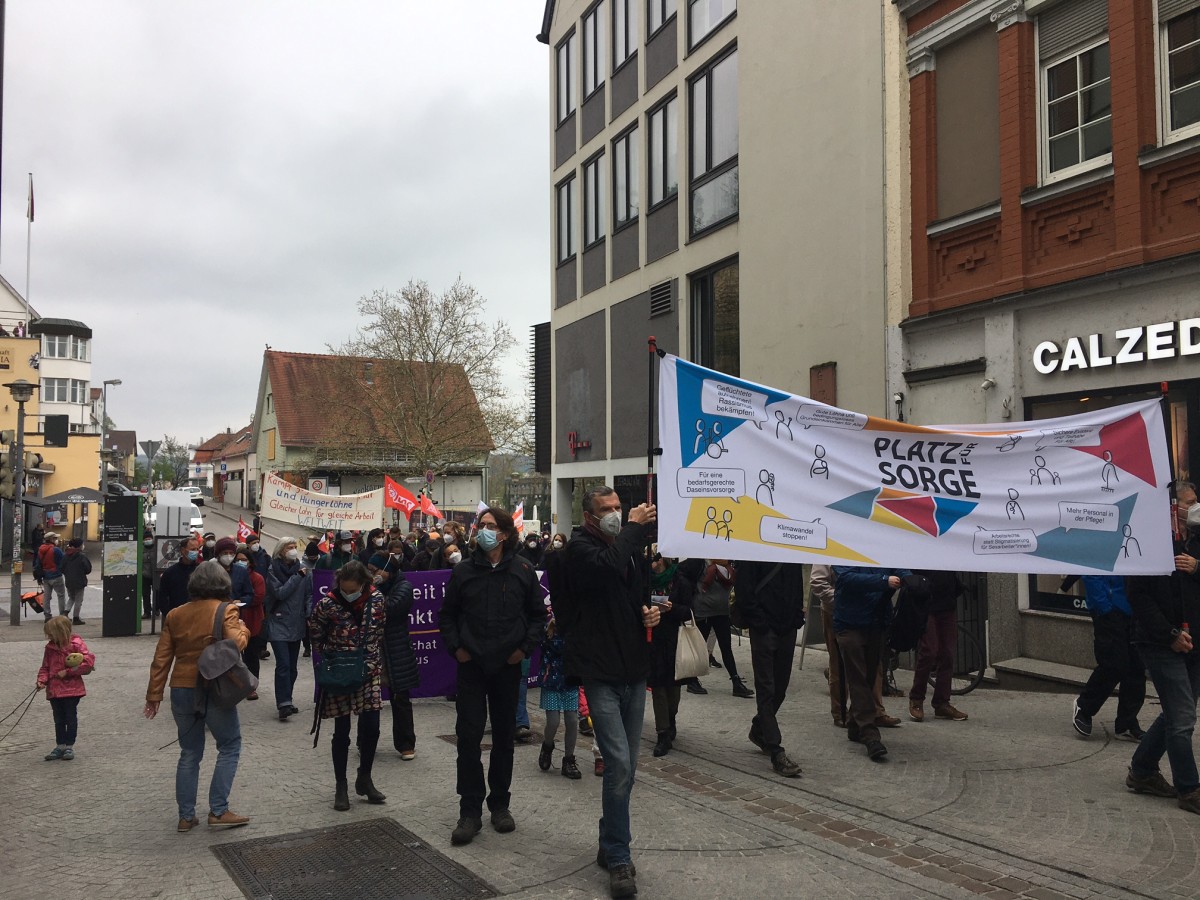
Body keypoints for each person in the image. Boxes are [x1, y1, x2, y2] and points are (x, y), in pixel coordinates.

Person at [560, 486, 660, 899]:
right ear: (589, 516)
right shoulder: (580, 549)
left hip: (633, 669)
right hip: (599, 673)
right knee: (618, 764)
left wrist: (649, 611)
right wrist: (636, 529)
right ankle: (620, 856)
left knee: (627, 768)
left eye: (619, 508)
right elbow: (605, 567)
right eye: (608, 510)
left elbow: (635, 594)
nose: (617, 514)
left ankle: (607, 840)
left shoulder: (627, 550)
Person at [439, 506, 546, 846]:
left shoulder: (523, 570)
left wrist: (523, 650)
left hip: (507, 667)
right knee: (468, 739)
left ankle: (500, 805)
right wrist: (457, 649)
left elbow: (537, 617)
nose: (482, 531)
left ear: (504, 532)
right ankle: (469, 811)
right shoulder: (464, 572)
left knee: (503, 739)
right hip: (471, 667)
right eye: (479, 525)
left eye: (489, 526)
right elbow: (447, 616)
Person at [144, 560, 250, 832]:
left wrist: (154, 694)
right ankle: (219, 809)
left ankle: (186, 816)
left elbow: (162, 657)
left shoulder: (176, 614)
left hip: (180, 687)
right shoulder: (227, 610)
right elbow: (235, 644)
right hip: (211, 686)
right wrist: (245, 629)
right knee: (229, 745)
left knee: (189, 752)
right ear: (223, 583)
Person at [1125, 503, 1200, 813]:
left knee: (1175, 713)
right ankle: (1190, 789)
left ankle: (1142, 770)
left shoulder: (1194, 542)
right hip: (1160, 643)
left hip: (1194, 644)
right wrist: (1169, 635)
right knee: (1182, 718)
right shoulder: (1149, 541)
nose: (1192, 509)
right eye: (1186, 503)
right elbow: (1138, 596)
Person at [309, 560, 388, 811]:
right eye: (344, 588)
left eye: (352, 589)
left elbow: (380, 629)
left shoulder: (377, 600)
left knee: (372, 726)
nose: (347, 593)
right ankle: (340, 785)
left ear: (364, 584)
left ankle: (365, 777)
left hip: (368, 669)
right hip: (340, 672)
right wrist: (332, 659)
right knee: (341, 730)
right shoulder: (326, 603)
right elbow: (315, 634)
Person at [734, 559, 805, 777]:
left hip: (787, 627)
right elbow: (744, 590)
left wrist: (796, 617)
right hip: (764, 629)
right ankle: (776, 750)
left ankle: (759, 729)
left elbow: (797, 584)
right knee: (767, 689)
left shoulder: (790, 550)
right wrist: (760, 623)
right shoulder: (752, 552)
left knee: (780, 689)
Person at [833, 565, 912, 762]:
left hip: (876, 622)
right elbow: (846, 577)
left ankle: (854, 725)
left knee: (868, 678)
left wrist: (910, 579)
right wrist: (884, 581)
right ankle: (870, 734)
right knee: (858, 678)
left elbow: (898, 566)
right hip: (849, 623)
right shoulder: (843, 545)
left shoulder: (881, 544)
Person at [1071, 575, 1144, 740]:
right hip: (1110, 610)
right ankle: (1084, 707)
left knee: (1136, 668)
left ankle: (1126, 723)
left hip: (1136, 608)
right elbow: (1091, 571)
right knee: (1114, 664)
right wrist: (1103, 607)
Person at [647, 554, 698, 757]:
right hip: (653, 639)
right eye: (652, 558)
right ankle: (662, 733)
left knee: (673, 688)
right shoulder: (647, 580)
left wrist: (671, 608)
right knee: (658, 686)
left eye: (658, 558)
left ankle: (671, 718)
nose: (654, 562)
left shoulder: (680, 580)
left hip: (674, 638)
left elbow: (689, 611)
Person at [909, 570, 971, 723]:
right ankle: (916, 699)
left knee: (947, 654)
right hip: (926, 603)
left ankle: (942, 703)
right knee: (929, 651)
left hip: (946, 603)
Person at [266, 536, 312, 721]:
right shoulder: (272, 570)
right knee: (283, 664)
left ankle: (288, 699)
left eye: (295, 547)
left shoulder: (303, 570)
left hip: (297, 622)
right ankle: (283, 703)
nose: (293, 550)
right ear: (281, 551)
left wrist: (309, 613)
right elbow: (280, 593)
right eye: (289, 547)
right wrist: (296, 577)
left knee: (292, 667)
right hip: (278, 622)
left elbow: (309, 594)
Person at [37, 615, 95, 760]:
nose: (48, 636)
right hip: (54, 690)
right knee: (58, 719)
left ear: (60, 632)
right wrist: (42, 681)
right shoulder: (50, 648)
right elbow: (45, 667)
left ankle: (69, 746)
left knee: (70, 717)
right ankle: (60, 745)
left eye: (50, 633)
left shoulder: (76, 644)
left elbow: (88, 664)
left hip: (72, 690)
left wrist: (68, 672)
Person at [695, 558, 753, 699]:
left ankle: (736, 681)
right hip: (704, 612)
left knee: (726, 647)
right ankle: (692, 680)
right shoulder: (702, 564)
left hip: (722, 612)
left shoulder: (728, 568)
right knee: (699, 648)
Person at [381, 555, 420, 760]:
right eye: (369, 570)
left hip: (396, 650)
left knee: (401, 699)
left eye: (377, 570)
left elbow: (390, 609)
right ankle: (365, 741)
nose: (374, 574)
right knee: (368, 700)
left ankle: (406, 743)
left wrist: (370, 592)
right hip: (374, 648)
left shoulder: (403, 587)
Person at [537, 611, 582, 778]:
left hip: (570, 681)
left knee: (571, 720)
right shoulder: (547, 632)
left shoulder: (575, 631)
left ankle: (569, 759)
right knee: (553, 721)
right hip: (552, 682)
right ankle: (547, 746)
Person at [234, 547, 267, 700]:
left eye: (244, 560)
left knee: (251, 655)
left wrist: (241, 601)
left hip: (252, 620)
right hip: (233, 620)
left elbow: (258, 597)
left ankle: (252, 686)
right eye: (238, 560)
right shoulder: (231, 576)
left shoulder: (257, 578)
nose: (241, 563)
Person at [159, 535, 202, 616]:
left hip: (198, 617)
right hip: (177, 617)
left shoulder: (202, 570)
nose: (195, 552)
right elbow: (162, 598)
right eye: (192, 549)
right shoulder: (170, 573)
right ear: (183, 550)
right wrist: (169, 615)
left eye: (197, 549)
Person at [61, 537, 93, 626]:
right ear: (79, 546)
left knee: (71, 597)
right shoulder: (81, 556)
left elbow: (61, 568)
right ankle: (76, 617)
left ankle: (65, 612)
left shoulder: (65, 555)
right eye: (82, 544)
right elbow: (88, 569)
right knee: (79, 600)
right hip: (79, 580)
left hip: (69, 580)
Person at [38, 532, 66, 620]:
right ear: (52, 539)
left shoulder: (41, 549)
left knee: (46, 596)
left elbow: (38, 563)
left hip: (45, 576)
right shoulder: (56, 550)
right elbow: (63, 560)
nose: (57, 540)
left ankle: (47, 615)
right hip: (56, 575)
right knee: (61, 595)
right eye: (55, 538)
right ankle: (62, 615)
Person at [142, 529, 157, 619]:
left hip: (155, 574)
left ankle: (157, 609)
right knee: (145, 594)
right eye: (146, 539)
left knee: (157, 593)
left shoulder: (156, 547)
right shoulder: (141, 549)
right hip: (145, 575)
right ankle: (147, 612)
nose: (148, 540)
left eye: (149, 538)